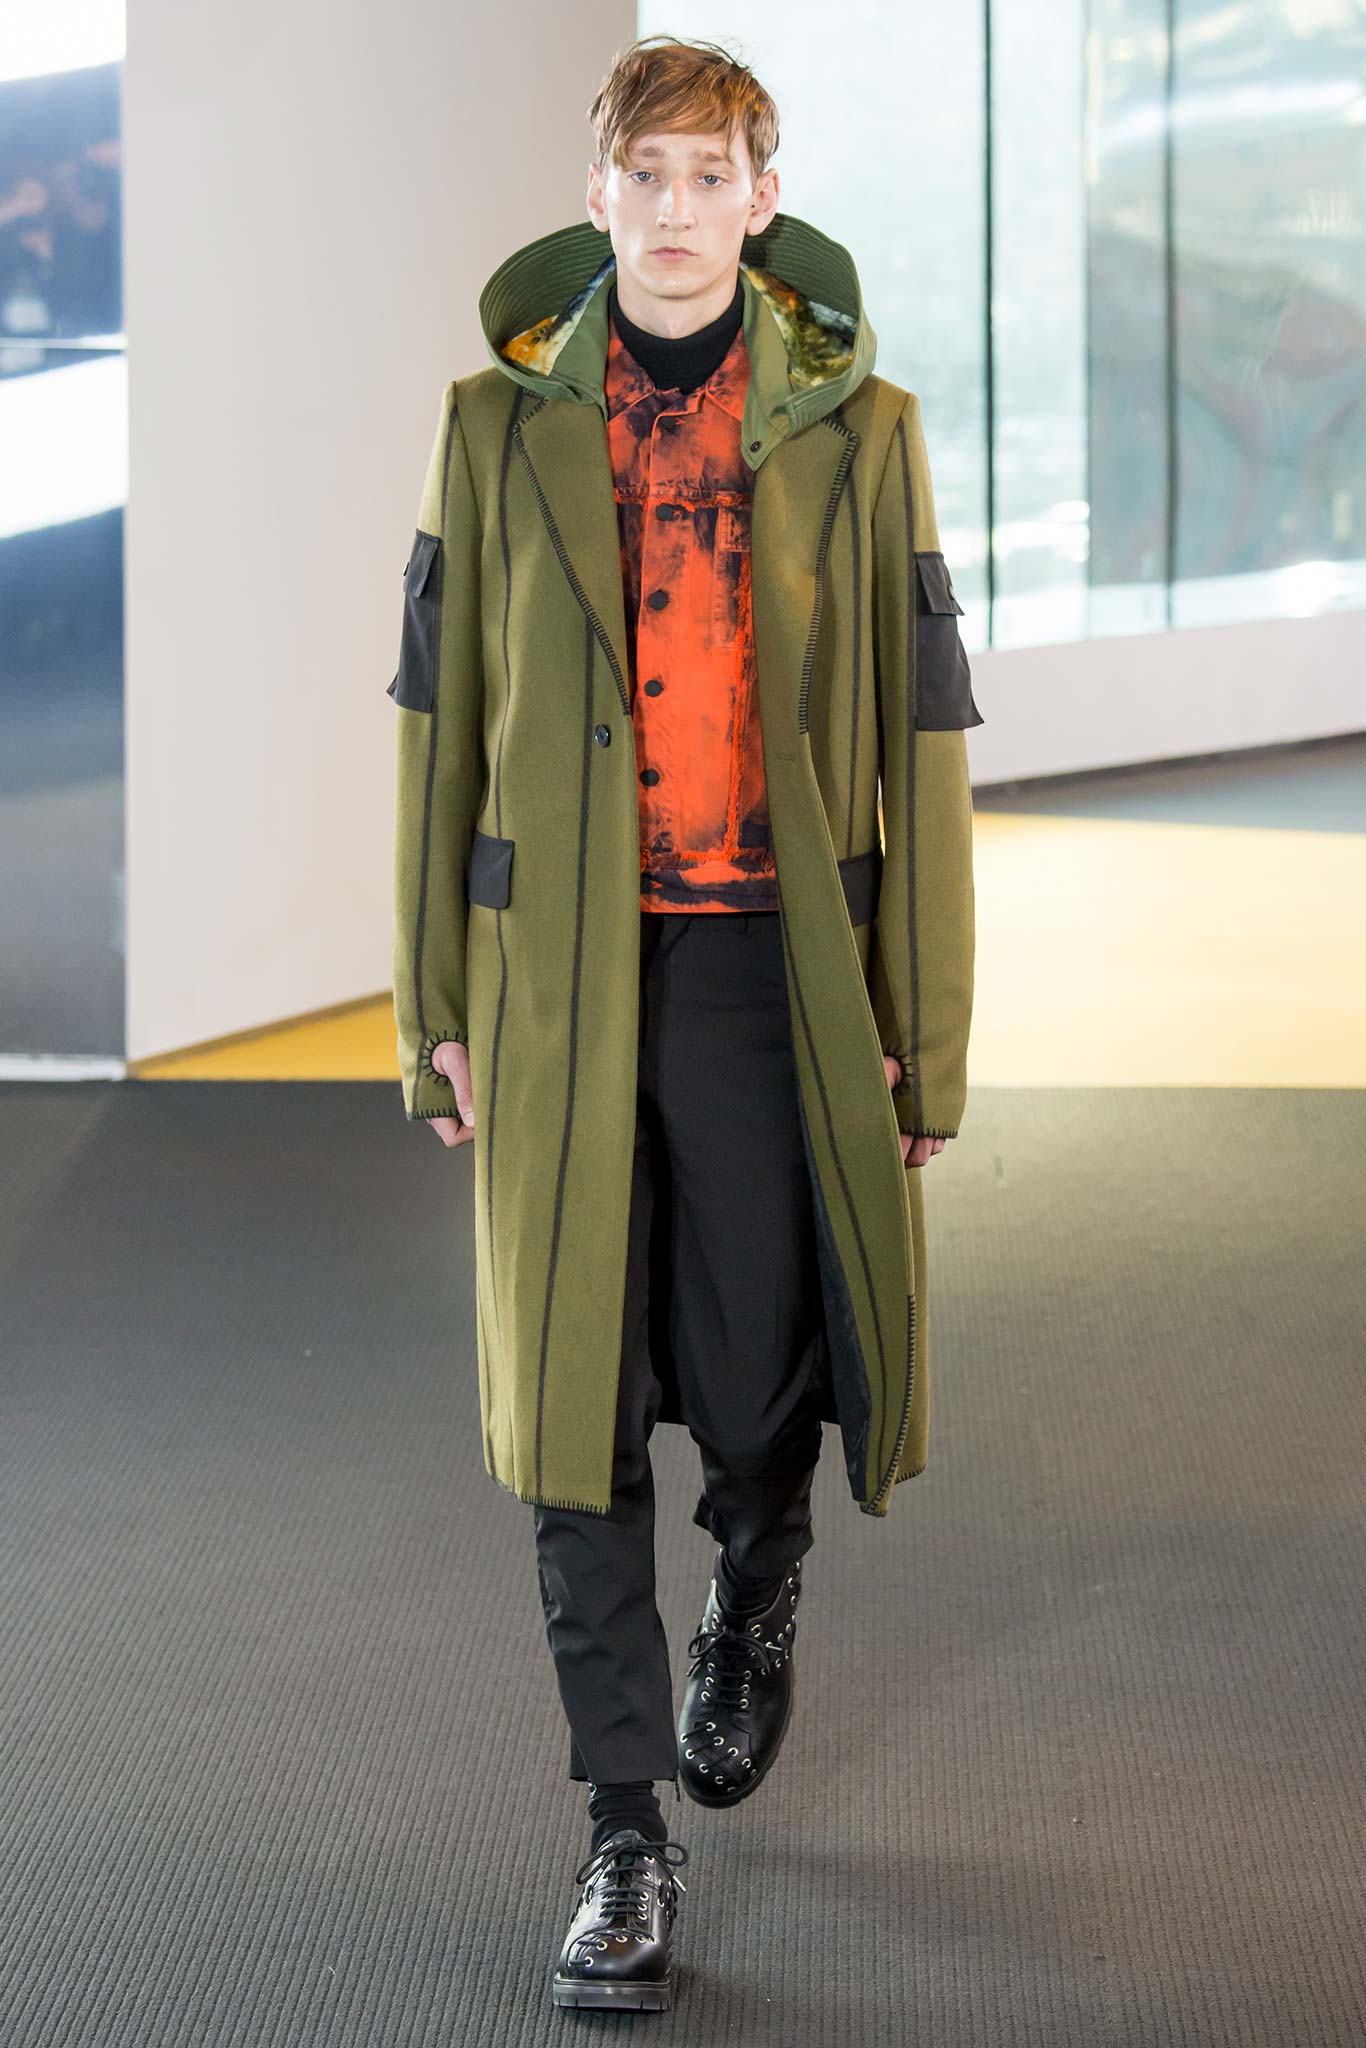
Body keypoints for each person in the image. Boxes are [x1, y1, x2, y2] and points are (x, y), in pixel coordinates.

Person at [387, 32, 982, 2015]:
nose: (669, 209)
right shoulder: (490, 425)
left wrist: (922, 1029)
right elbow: (434, 723)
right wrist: (431, 1002)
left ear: (759, 197)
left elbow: (920, 740)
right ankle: (620, 1835)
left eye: (706, 174)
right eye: (640, 175)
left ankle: (760, 1566)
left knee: (749, 1369)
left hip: (765, 962)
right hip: (555, 968)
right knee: (570, 1406)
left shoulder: (861, 429)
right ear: (596, 196)